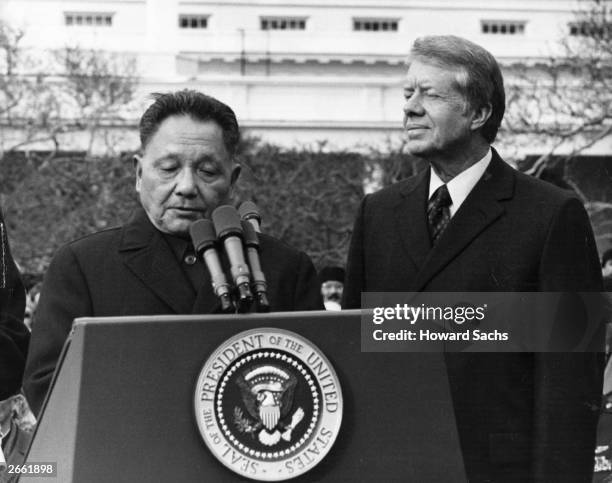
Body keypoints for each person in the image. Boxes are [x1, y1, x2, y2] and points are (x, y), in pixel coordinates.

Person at [343, 35, 604, 482]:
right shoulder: (378, 213)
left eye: (430, 94)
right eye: (408, 93)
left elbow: (569, 386)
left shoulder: (551, 214)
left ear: (479, 113)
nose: (409, 108)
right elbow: (352, 353)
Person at [23, 90, 323, 417]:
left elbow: (315, 385)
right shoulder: (83, 266)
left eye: (207, 171)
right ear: (138, 174)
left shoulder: (285, 269)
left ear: (233, 179)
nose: (186, 186)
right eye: (168, 168)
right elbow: (47, 388)